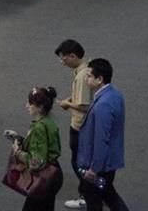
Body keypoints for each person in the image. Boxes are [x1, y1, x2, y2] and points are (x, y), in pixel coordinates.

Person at [76, 59, 127, 211]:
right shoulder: (115, 95)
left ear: (100, 79)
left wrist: (94, 169)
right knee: (108, 193)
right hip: (110, 159)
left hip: (100, 164)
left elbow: (101, 139)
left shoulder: (103, 104)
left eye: (90, 76)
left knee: (93, 198)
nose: (86, 79)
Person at [4, 86, 64, 211]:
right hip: (53, 173)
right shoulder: (49, 122)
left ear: (40, 107)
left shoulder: (39, 128)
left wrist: (18, 152)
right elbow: (41, 146)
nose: (27, 106)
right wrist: (18, 138)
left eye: (30, 103)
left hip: (43, 179)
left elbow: (36, 161)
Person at [55, 40, 92, 211]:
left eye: (64, 59)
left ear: (73, 56)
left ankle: (87, 195)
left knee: (79, 162)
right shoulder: (87, 69)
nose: (62, 63)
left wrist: (67, 104)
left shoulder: (81, 77)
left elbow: (84, 106)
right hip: (86, 124)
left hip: (80, 124)